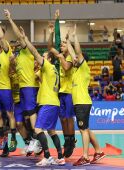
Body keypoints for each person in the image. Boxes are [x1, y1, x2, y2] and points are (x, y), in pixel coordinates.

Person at [22, 27, 65, 166]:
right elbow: (36, 77)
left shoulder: (47, 66)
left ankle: (47, 156)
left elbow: (34, 52)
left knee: (38, 129)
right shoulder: (52, 70)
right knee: (52, 131)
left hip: (47, 102)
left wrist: (25, 39)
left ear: (49, 59)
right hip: (54, 102)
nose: (42, 57)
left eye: (44, 56)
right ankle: (60, 156)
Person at [4, 9, 41, 155]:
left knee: (30, 118)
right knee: (20, 122)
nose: (17, 42)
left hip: (30, 87)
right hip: (20, 92)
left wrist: (10, 19)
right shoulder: (17, 57)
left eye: (19, 41)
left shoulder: (27, 51)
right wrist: (12, 63)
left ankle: (38, 142)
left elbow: (19, 36)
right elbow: (12, 72)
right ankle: (29, 142)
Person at [68, 25, 106, 166]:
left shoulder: (83, 68)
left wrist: (75, 36)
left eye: (77, 58)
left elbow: (77, 51)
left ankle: (85, 156)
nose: (74, 59)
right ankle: (98, 151)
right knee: (86, 129)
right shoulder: (76, 70)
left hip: (82, 103)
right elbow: (73, 53)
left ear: (82, 59)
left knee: (83, 129)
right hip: (81, 103)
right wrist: (67, 41)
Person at [48, 10, 76, 158]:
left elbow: (66, 67)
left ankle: (71, 141)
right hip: (60, 92)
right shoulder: (58, 55)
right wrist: (55, 25)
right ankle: (67, 140)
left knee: (69, 118)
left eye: (64, 43)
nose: (62, 45)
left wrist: (60, 57)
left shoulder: (70, 57)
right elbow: (52, 44)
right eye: (62, 44)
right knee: (62, 118)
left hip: (70, 92)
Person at [0, 12, 17, 157]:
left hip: (5, 89)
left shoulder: (7, 51)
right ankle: (3, 139)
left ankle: (13, 137)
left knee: (9, 114)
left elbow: (1, 36)